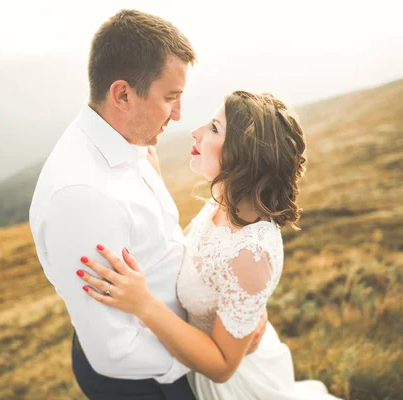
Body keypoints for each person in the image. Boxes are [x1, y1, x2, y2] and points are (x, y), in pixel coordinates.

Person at [28, 9, 268, 400]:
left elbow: (162, 244)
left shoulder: (127, 140)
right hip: (151, 381)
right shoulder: (83, 198)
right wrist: (207, 356)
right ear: (122, 94)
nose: (178, 115)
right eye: (170, 98)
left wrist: (235, 309)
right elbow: (115, 352)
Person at [77, 91, 343, 399]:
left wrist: (143, 304)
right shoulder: (226, 205)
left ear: (242, 156)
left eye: (214, 128)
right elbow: (186, 249)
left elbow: (221, 366)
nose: (196, 131)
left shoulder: (250, 254)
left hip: (227, 386)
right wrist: (157, 188)